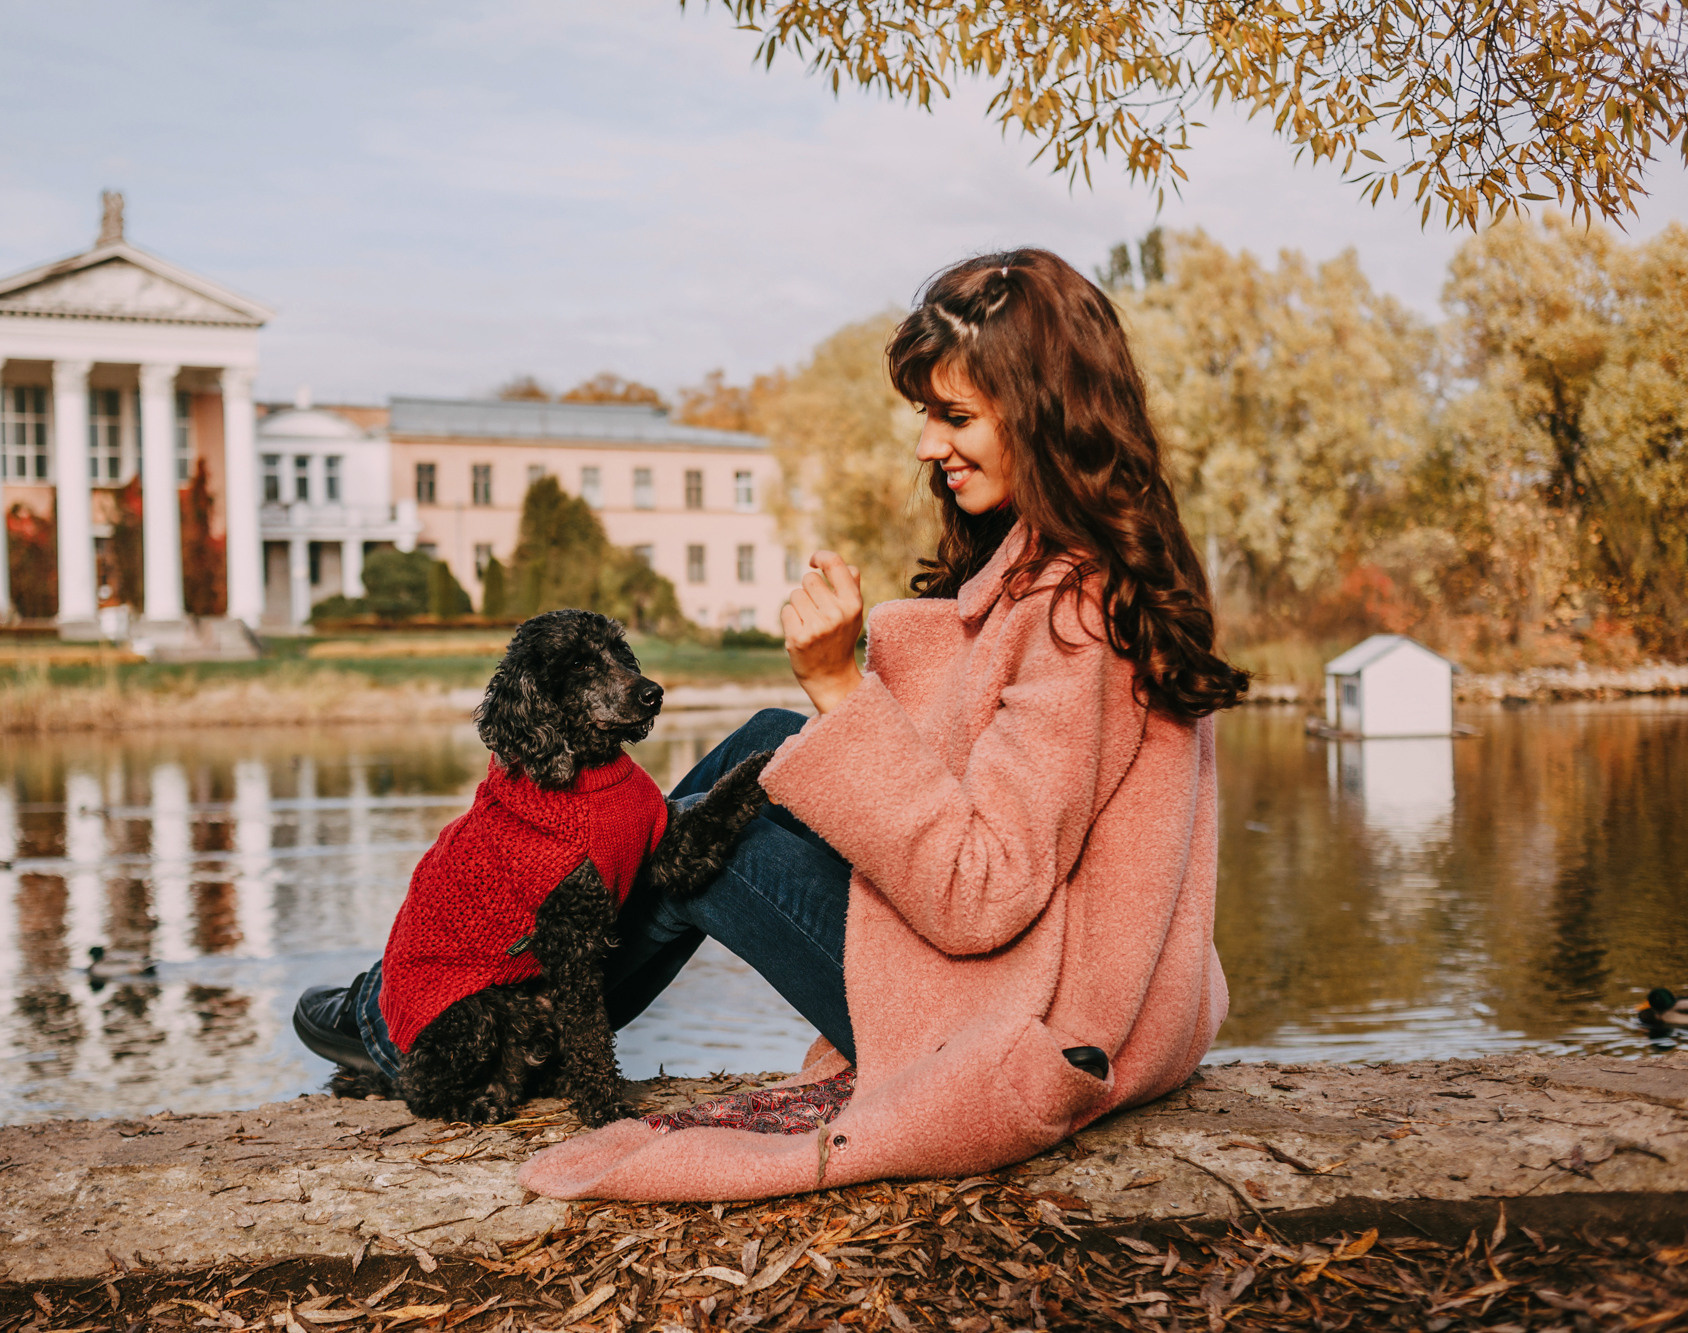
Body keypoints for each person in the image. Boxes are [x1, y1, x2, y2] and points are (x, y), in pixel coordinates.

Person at [514, 247, 1249, 1201]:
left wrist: (840, 684)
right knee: (767, 740)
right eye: (925, 414)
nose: (926, 446)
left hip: (1024, 1018)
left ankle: (504, 1024)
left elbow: (979, 892)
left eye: (955, 417)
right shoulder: (1079, 572)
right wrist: (824, 700)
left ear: (1041, 414)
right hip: (1050, 976)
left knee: (707, 839)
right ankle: (494, 1002)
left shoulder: (1078, 616)